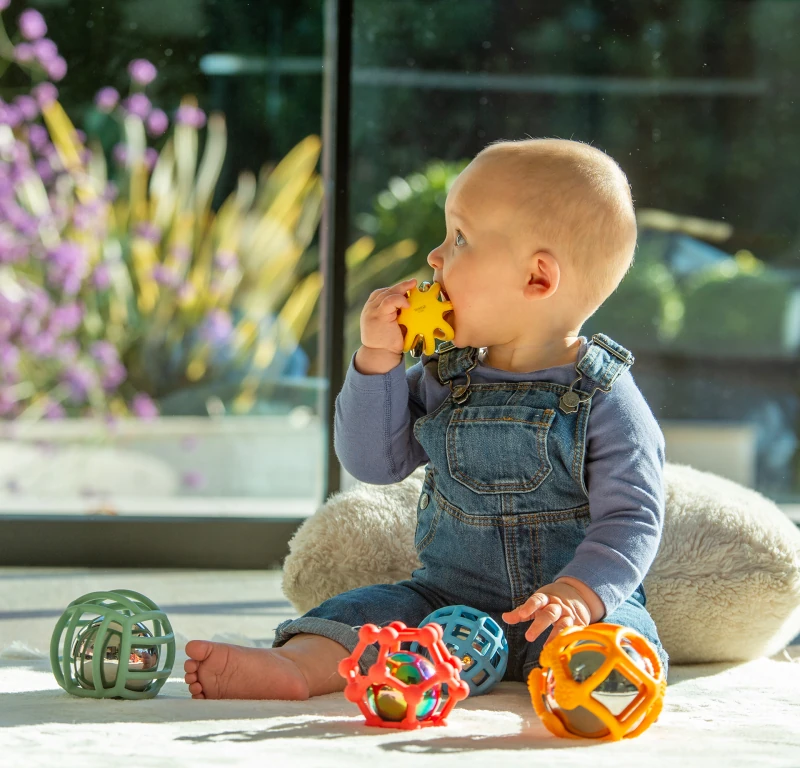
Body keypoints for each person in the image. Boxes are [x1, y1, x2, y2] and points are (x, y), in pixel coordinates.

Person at [184, 137, 668, 700]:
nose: (436, 257)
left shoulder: (605, 396)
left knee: (620, 644)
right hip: (445, 605)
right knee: (364, 613)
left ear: (537, 278)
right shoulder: (444, 376)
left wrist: (581, 595)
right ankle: (298, 667)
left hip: (568, 612)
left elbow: (632, 517)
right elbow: (374, 463)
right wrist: (377, 361)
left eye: (459, 238)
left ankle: (581, 684)